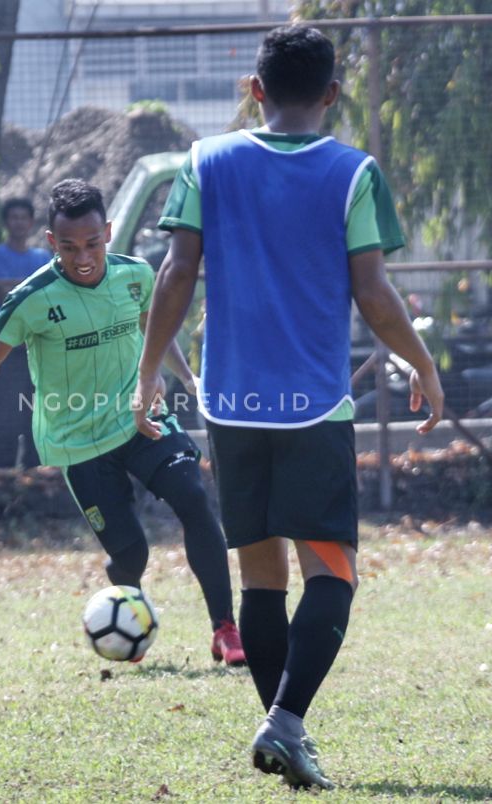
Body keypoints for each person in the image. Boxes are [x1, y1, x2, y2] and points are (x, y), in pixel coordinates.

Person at [132, 25, 446, 790]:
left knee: (262, 579)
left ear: (255, 89)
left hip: (232, 404)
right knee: (332, 571)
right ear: (333, 94)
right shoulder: (353, 172)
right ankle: (286, 720)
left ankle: (282, 729)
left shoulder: (207, 161)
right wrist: (422, 360)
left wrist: (149, 375)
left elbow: (174, 275)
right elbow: (372, 291)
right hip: (312, 407)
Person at [0, 179, 246, 667]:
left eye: (91, 243)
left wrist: (187, 378)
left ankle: (226, 630)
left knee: (192, 498)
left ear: (107, 232)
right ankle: (122, 601)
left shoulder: (136, 275)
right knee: (133, 554)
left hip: (141, 418)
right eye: (68, 247)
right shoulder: (32, 297)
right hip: (78, 440)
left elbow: (156, 328)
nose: (82, 256)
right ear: (50, 243)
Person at [0, 198, 52, 470]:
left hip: (39, 346)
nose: (19, 222)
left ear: (31, 222)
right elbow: (5, 295)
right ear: (6, 222)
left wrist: (25, 292)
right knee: (7, 415)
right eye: (14, 217)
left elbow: (46, 296)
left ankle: (37, 471)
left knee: (38, 413)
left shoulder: (42, 258)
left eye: (24, 217)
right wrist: (30, 292)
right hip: (8, 346)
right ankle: (2, 472)